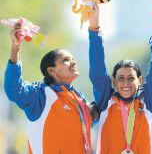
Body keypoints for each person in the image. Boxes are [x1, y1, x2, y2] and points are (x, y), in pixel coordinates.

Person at [4, 20, 99, 154]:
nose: (73, 62)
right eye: (66, 60)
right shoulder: (41, 96)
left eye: (72, 59)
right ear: (51, 71)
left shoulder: (79, 98)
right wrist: (15, 49)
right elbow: (14, 90)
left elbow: (92, 117)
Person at [87, 4, 152, 153]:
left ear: (140, 80)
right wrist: (94, 26)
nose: (125, 83)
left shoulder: (149, 100)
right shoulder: (106, 100)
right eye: (121, 78)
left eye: (131, 78)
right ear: (113, 82)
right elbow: (97, 72)